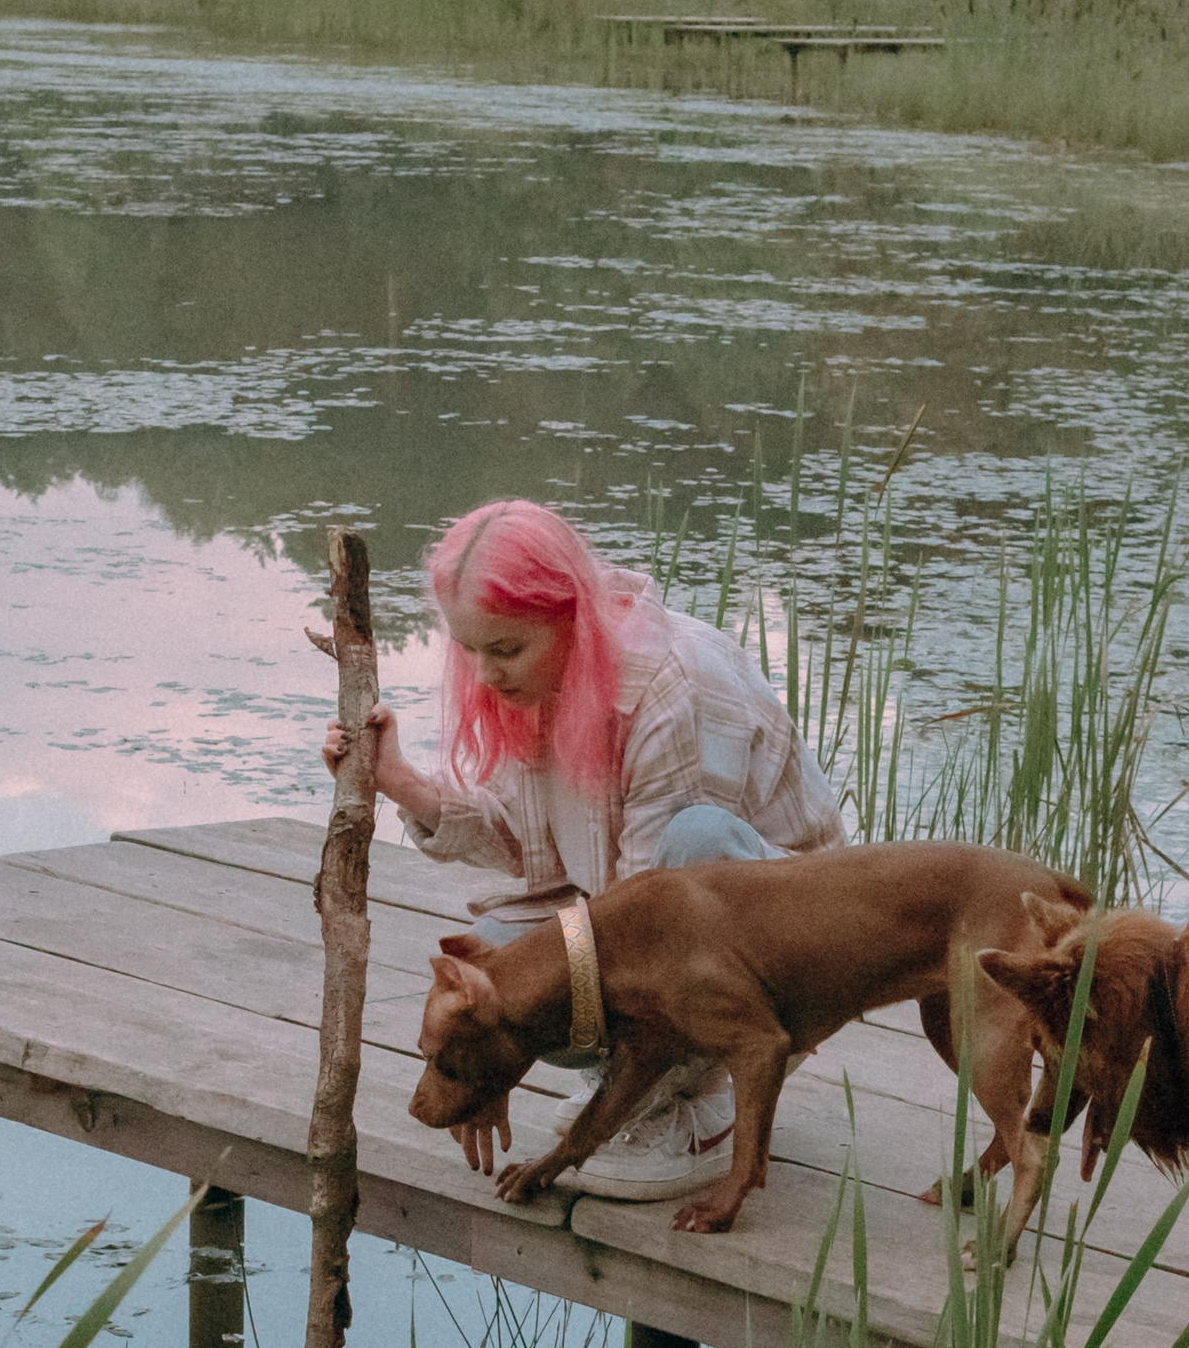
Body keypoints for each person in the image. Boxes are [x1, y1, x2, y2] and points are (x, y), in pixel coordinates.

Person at [325, 497, 846, 1202]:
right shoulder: (549, 676)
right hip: (649, 907)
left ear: (571, 617)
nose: (485, 674)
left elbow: (656, 920)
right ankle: (652, 1083)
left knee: (693, 839)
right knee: (490, 964)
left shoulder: (670, 685)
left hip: (787, 944)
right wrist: (401, 782)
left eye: (505, 650)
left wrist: (535, 1039)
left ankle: (694, 1105)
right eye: (470, 650)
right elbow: (523, 841)